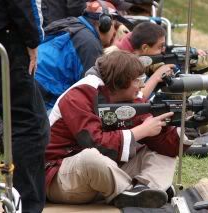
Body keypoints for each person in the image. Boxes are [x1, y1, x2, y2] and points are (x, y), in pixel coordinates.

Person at [44, 51, 199, 208]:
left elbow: (166, 144)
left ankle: (144, 191)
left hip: (102, 178)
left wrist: (192, 126)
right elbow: (95, 143)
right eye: (138, 80)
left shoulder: (128, 98)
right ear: (121, 81)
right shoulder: (79, 95)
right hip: (59, 177)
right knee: (90, 157)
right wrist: (142, 131)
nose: (143, 85)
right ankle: (135, 191)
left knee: (163, 152)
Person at [0, 0, 50, 212]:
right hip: (4, 40)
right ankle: (26, 205)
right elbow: (24, 5)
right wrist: (33, 41)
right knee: (30, 126)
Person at [35, 0, 132, 111]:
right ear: (104, 24)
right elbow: (94, 92)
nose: (114, 32)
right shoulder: (89, 43)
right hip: (44, 99)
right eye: (114, 26)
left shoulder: (73, 25)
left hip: (35, 90)